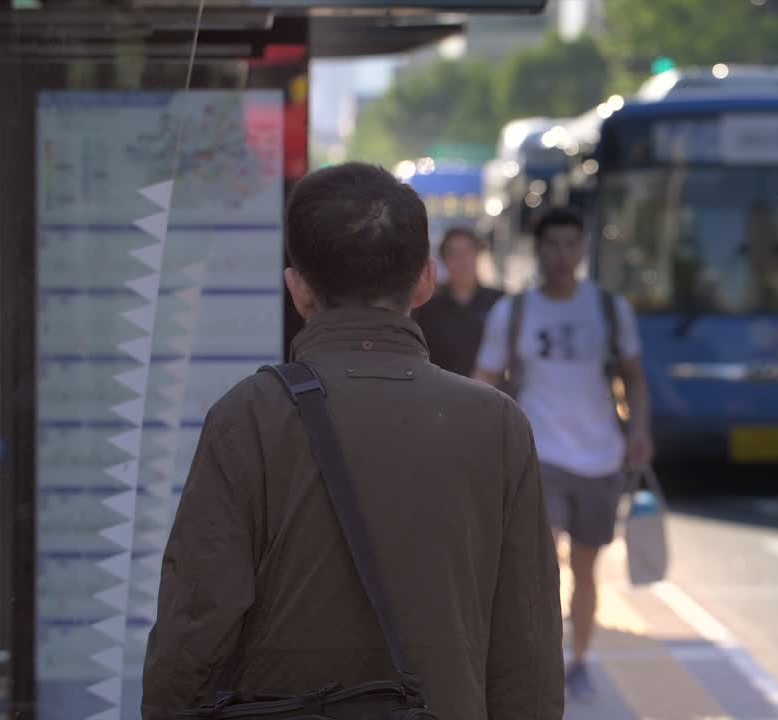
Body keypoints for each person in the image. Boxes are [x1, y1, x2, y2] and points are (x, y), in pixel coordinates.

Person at [141, 162, 563, 719]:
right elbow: (526, 651)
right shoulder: (497, 424)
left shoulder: (248, 416)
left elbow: (194, 624)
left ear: (297, 288)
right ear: (425, 280)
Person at [473, 207, 654, 701]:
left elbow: (634, 377)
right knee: (540, 565)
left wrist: (640, 430)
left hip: (600, 459)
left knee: (587, 568)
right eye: (552, 244)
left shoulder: (610, 309)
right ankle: (539, 661)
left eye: (572, 245)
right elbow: (483, 382)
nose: (562, 255)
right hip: (539, 456)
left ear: (584, 249)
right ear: (539, 249)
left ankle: (579, 659)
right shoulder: (514, 312)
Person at [413, 226, 505, 377]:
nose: (461, 260)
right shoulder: (428, 308)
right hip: (443, 391)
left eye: (467, 252)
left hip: (491, 394)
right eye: (453, 253)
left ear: (477, 254)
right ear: (444, 259)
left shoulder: (500, 302)